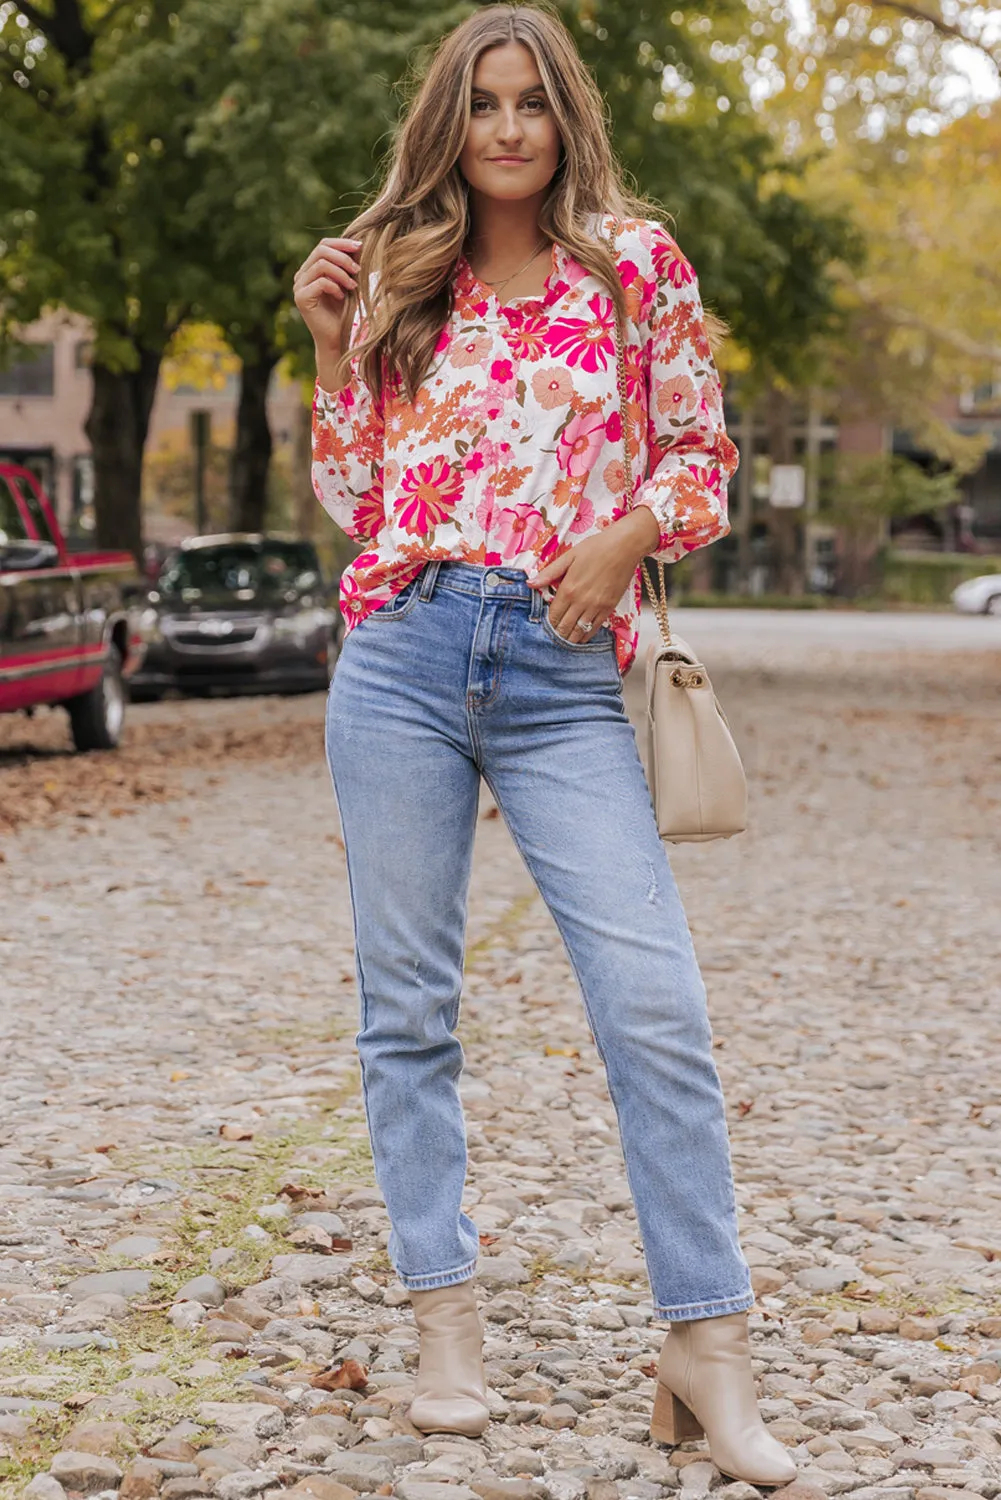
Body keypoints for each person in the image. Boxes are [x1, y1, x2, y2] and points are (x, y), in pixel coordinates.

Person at [293, 4, 794, 1487]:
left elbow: (700, 461)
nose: (508, 129)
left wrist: (622, 538)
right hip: (400, 653)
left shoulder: (634, 263)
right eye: (482, 104)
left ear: (566, 114)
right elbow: (361, 492)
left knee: (653, 1003)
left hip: (567, 665)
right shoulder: (405, 274)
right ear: (448, 120)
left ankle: (706, 1346)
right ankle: (447, 1324)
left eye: (530, 103)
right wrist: (335, 349)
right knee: (409, 1011)